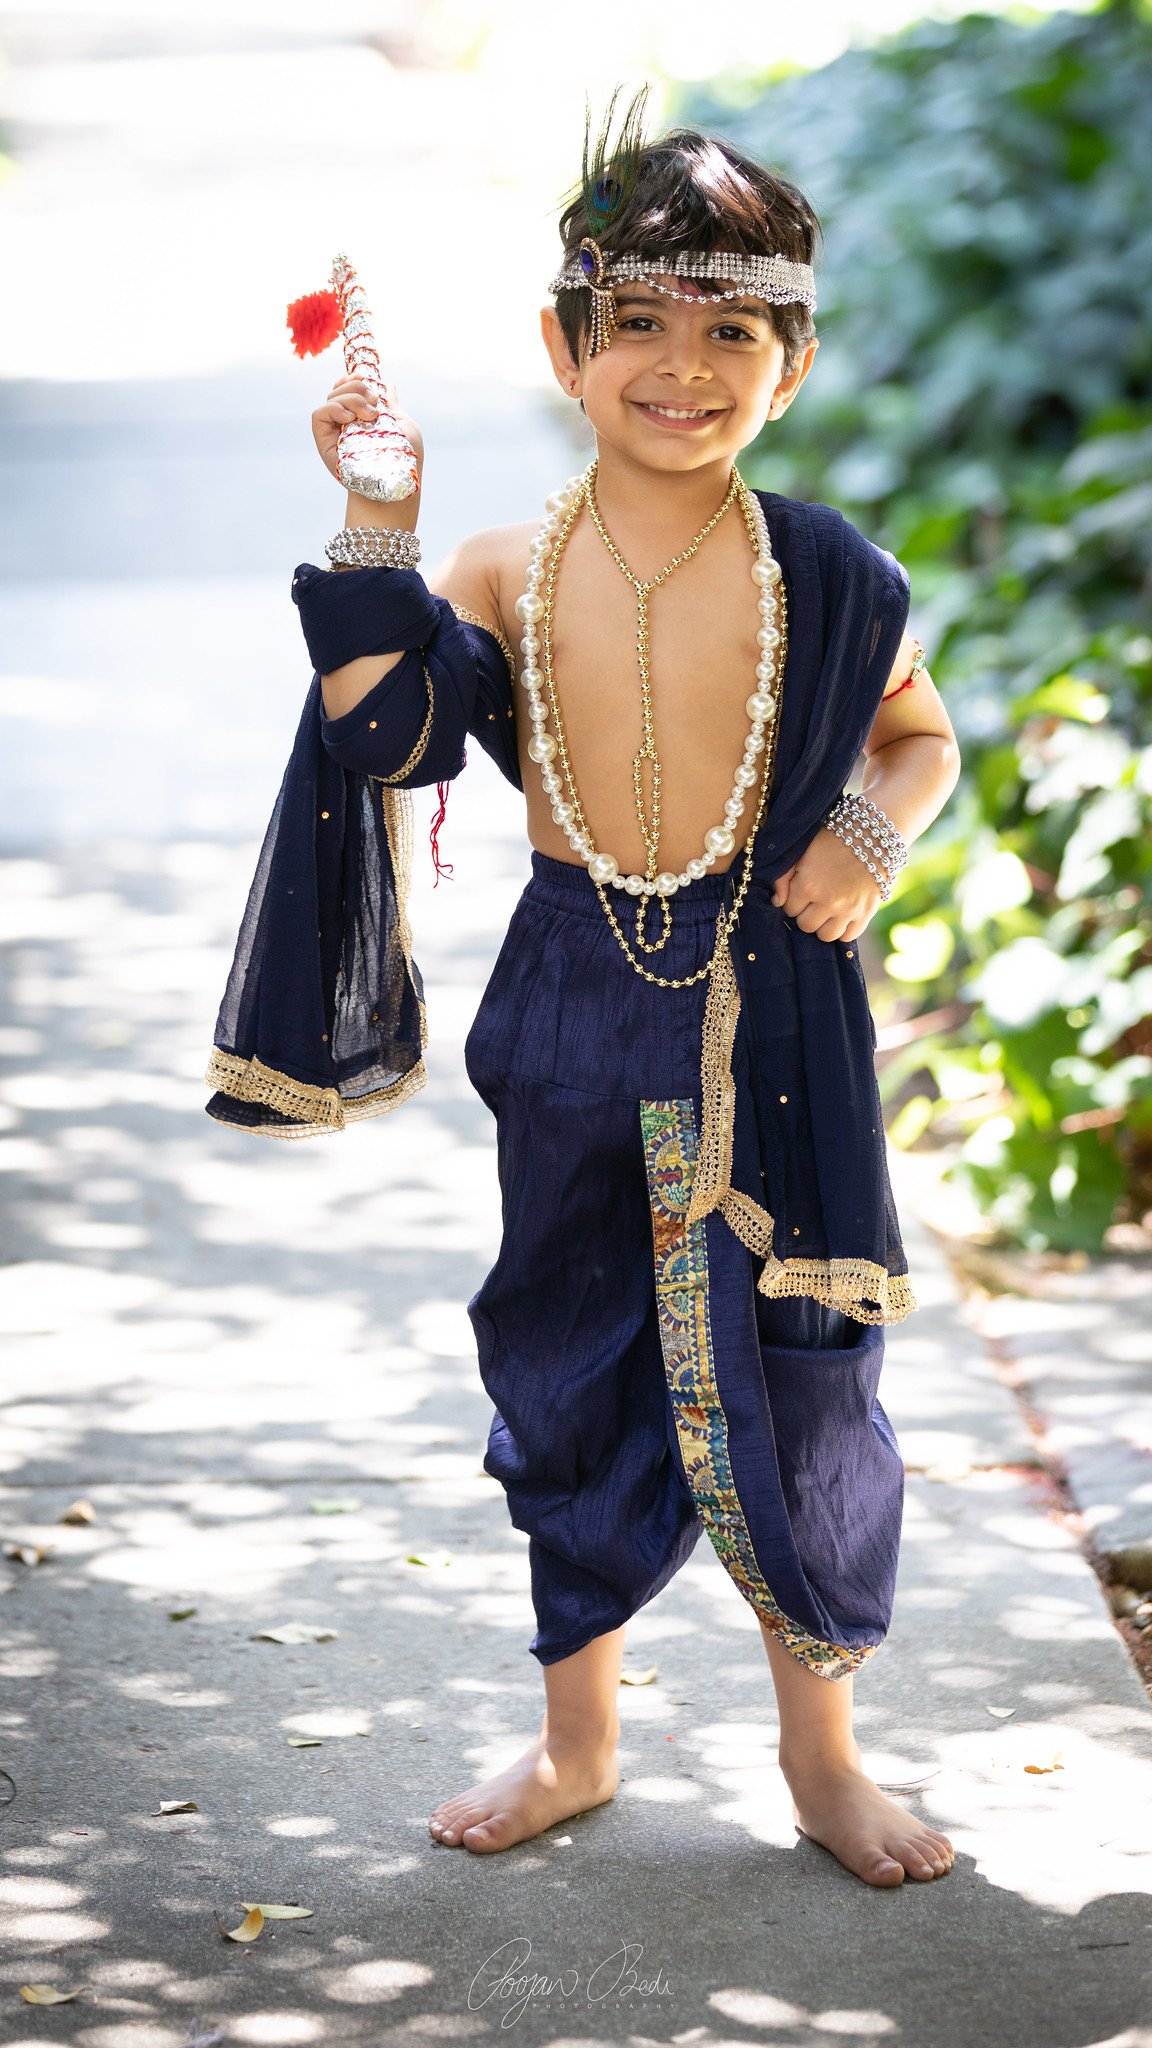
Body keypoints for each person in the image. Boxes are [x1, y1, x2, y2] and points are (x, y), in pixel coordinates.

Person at [205, 101, 961, 1888]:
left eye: (732, 331)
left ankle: (824, 1762)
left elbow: (920, 738)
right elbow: (387, 735)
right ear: (564, 349)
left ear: (792, 364)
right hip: (570, 1001)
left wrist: (868, 833)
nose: (683, 368)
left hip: (777, 1013)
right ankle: (579, 1742)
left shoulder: (833, 575)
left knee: (805, 1381)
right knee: (564, 1363)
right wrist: (376, 514)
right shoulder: (503, 568)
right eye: (638, 324)